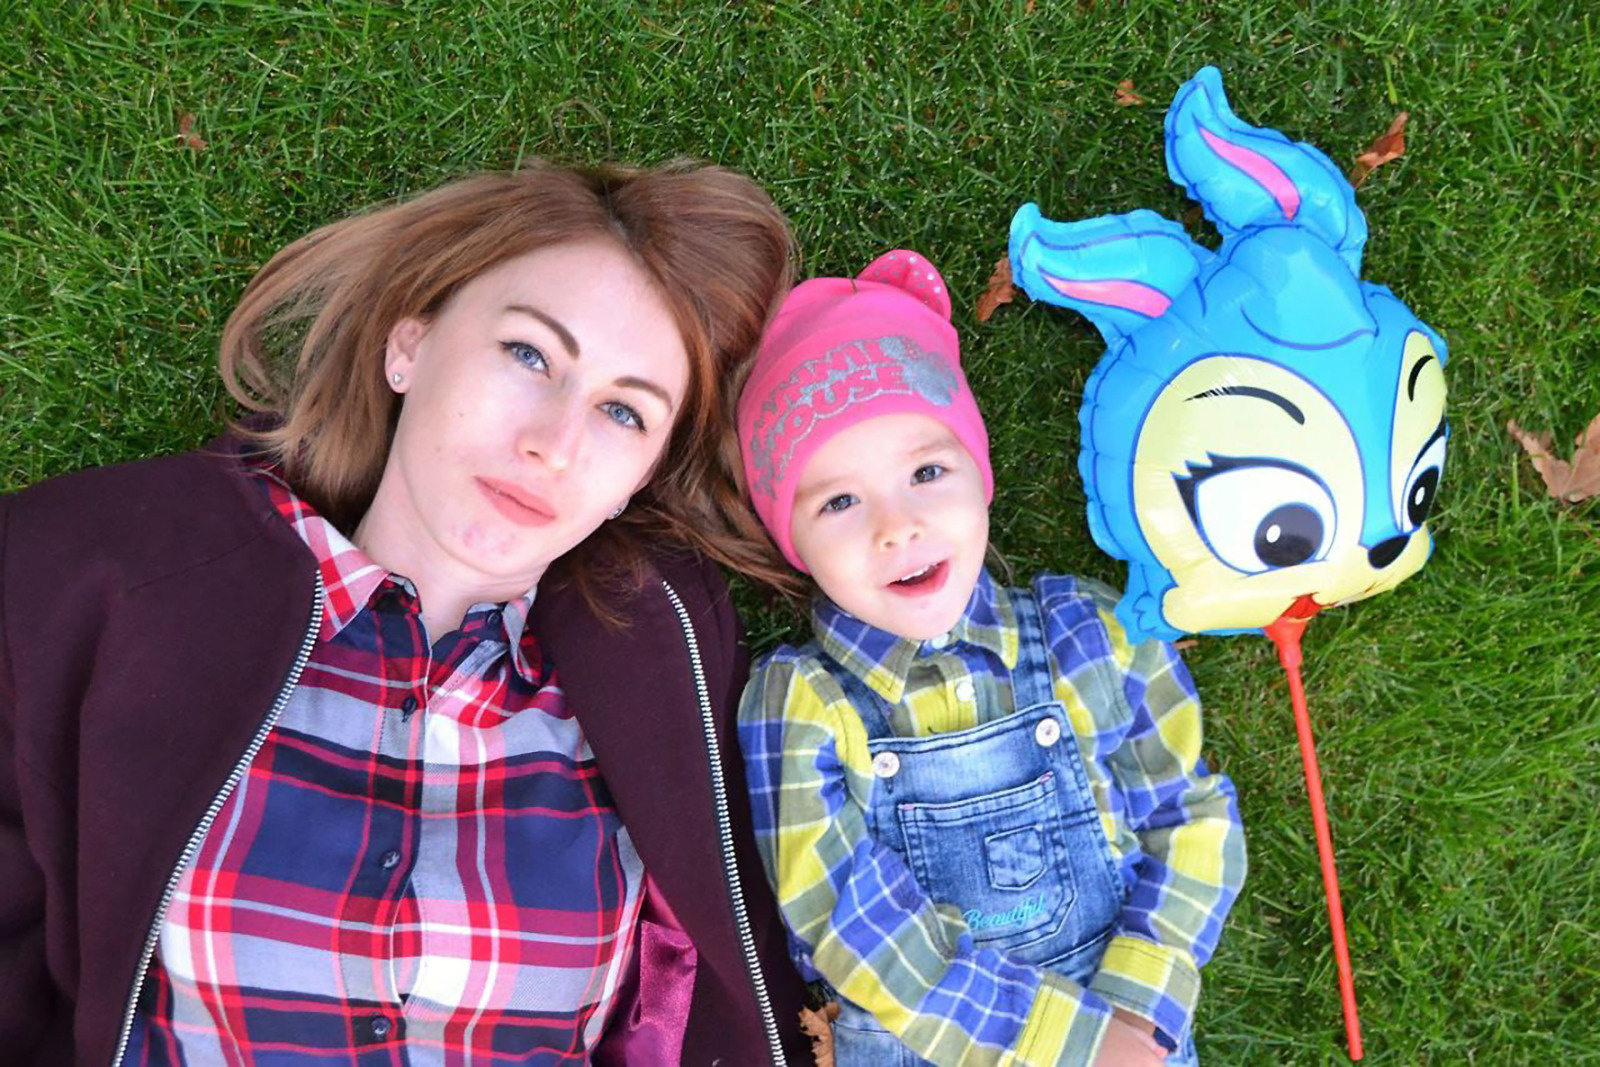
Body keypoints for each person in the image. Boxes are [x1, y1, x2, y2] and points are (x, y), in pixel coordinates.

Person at [0, 161, 812, 1064]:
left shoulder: (665, 667)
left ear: (639, 483)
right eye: (530, 354)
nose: (552, 444)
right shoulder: (105, 573)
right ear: (409, 346)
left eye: (622, 412)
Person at [734, 250, 1247, 1065]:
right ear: (790, 540)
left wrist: (1141, 1009)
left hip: (1125, 1022)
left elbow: (1188, 812)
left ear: (981, 473)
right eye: (838, 500)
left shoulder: (1091, 632)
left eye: (927, 471)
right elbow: (841, 914)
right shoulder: (800, 700)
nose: (895, 526)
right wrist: (1063, 1042)